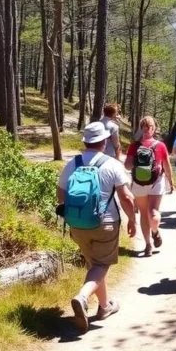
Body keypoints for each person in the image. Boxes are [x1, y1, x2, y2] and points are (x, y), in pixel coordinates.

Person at [57, 122, 138, 334]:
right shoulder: (111, 164)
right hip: (106, 223)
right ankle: (82, 297)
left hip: (77, 224)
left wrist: (75, 216)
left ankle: (104, 307)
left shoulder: (72, 164)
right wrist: (132, 219)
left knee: (94, 265)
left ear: (85, 142)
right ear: (103, 142)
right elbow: (126, 196)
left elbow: (61, 195)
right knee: (101, 265)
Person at [125, 116, 174, 255]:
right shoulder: (160, 146)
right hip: (156, 183)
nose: (148, 129)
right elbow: (167, 166)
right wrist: (171, 182)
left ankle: (148, 245)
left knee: (143, 214)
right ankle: (155, 231)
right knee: (153, 212)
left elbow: (127, 166)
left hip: (138, 184)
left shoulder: (134, 146)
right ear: (154, 128)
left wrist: (136, 162)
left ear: (141, 129)